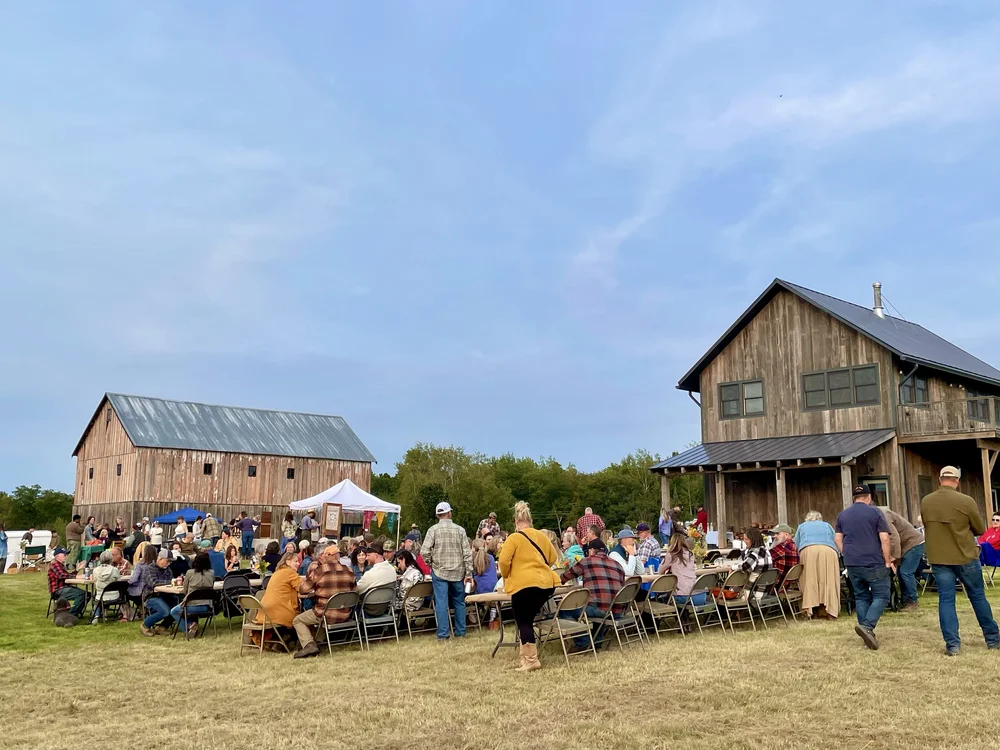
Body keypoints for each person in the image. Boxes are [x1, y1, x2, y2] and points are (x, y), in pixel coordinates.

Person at [922, 466, 1000, 655]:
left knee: (946, 600)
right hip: (965, 555)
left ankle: (953, 645)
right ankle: (993, 639)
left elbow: (926, 525)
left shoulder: (926, 501)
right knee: (977, 597)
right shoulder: (966, 501)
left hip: (940, 558)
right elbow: (980, 529)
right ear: (957, 481)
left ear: (940, 479)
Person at [498, 501, 559, 671]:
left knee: (523, 620)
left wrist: (507, 574)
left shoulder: (514, 538)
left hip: (524, 584)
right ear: (530, 520)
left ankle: (531, 660)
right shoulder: (542, 536)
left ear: (516, 522)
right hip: (546, 583)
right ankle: (526, 657)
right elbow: (553, 557)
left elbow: (503, 561)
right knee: (527, 619)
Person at [836, 485, 893, 651]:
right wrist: (888, 559)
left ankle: (866, 633)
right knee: (882, 595)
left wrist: (846, 553)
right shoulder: (875, 512)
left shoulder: (843, 515)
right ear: (868, 497)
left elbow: (837, 539)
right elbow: (885, 538)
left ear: (854, 498)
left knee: (861, 597)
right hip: (873, 560)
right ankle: (867, 627)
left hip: (852, 561)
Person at [559, 539, 626, 649]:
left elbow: (566, 576)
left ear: (591, 550)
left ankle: (583, 642)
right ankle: (596, 641)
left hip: (599, 610)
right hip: (617, 611)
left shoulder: (586, 561)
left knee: (564, 609)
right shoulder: (618, 564)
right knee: (599, 603)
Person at [293, 546, 357, 658]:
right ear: (337, 556)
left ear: (328, 556)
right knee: (324, 614)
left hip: (325, 613)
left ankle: (309, 644)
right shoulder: (349, 570)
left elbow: (303, 590)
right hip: (345, 613)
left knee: (298, 620)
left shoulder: (319, 570)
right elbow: (355, 591)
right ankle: (318, 642)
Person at [422, 501, 474, 641]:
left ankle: (443, 634)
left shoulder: (433, 530)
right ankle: (461, 632)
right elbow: (467, 554)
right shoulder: (460, 530)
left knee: (441, 603)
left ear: (437, 514)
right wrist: (469, 573)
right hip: (458, 571)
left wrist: (431, 563)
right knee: (459, 602)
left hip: (440, 571)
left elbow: (424, 551)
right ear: (449, 513)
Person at [793, 511, 840, 619]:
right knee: (829, 580)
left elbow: (796, 544)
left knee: (809, 579)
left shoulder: (802, 526)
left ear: (807, 519)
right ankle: (830, 611)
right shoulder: (827, 525)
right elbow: (835, 539)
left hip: (808, 550)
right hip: (828, 550)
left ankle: (810, 610)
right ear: (820, 519)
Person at [878, 506, 925, 612]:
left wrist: (893, 559)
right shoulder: (878, 514)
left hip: (914, 543)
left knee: (906, 572)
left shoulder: (883, 515)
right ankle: (905, 600)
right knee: (901, 573)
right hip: (906, 545)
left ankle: (913, 601)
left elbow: (894, 538)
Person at [254, 551, 302, 641]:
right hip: (280, 613)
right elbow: (302, 588)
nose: (298, 563)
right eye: (295, 561)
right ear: (287, 562)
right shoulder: (289, 573)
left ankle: (279, 641)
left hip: (265, 613)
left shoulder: (276, 573)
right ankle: (309, 643)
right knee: (303, 618)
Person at [169, 551, 215, 638]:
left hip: (191, 604)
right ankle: (193, 625)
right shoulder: (211, 573)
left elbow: (185, 590)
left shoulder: (189, 573)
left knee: (174, 611)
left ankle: (188, 628)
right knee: (186, 607)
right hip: (207, 606)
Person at [658, 530, 703, 605]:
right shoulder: (690, 554)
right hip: (695, 593)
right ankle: (682, 615)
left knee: (663, 596)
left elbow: (660, 571)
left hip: (681, 595)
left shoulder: (671, 555)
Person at [140, 550, 177, 636]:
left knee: (178, 608)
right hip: (151, 596)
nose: (169, 563)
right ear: (160, 559)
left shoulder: (168, 570)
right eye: (167, 561)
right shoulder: (149, 569)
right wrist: (170, 582)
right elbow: (153, 583)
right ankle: (145, 625)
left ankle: (162, 627)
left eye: (170, 562)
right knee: (165, 611)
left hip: (166, 595)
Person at [48, 547, 87, 617]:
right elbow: (61, 575)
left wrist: (77, 569)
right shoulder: (55, 564)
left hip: (64, 588)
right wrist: (77, 577)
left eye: (66, 554)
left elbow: (67, 576)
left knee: (87, 595)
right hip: (58, 591)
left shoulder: (60, 565)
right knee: (82, 595)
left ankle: (73, 613)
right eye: (64, 554)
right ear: (57, 556)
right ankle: (71, 615)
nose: (66, 556)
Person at [127, 545, 158, 618]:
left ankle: (131, 612)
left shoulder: (140, 565)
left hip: (141, 588)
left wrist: (127, 582)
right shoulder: (156, 564)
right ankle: (142, 608)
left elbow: (134, 579)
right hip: (153, 587)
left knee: (125, 593)